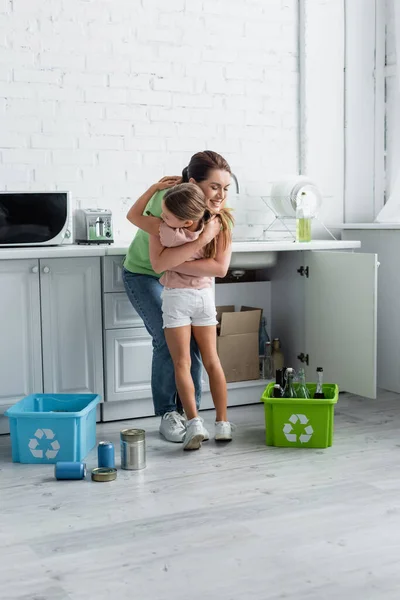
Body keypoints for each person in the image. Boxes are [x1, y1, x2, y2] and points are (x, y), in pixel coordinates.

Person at [122, 150, 233, 443]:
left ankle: (191, 413)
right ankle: (169, 413)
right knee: (166, 339)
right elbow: (157, 262)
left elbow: (219, 267)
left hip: (185, 286)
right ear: (194, 183)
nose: (221, 195)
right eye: (214, 187)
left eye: (225, 188)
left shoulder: (215, 218)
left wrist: (175, 261)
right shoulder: (169, 201)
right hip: (144, 273)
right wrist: (154, 188)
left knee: (193, 349)